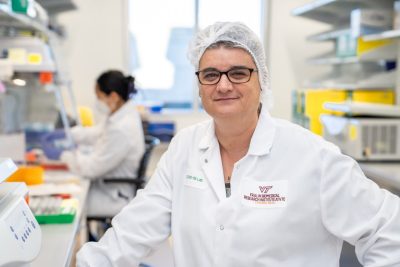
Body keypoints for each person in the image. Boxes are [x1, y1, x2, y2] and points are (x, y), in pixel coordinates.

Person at [76, 22, 400, 267]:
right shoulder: (184, 148)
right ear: (199, 86)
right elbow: (133, 232)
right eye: (211, 74)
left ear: (262, 80)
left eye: (239, 73)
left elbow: (389, 230)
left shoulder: (312, 156)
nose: (224, 85)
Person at [61, 70, 145, 216]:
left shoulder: (122, 128)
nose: (97, 102)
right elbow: (97, 133)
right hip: (107, 186)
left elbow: (91, 169)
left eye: (98, 97)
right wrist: (67, 134)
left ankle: (91, 239)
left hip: (113, 195)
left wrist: (64, 155)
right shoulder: (120, 116)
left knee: (71, 205)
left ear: (113, 97)